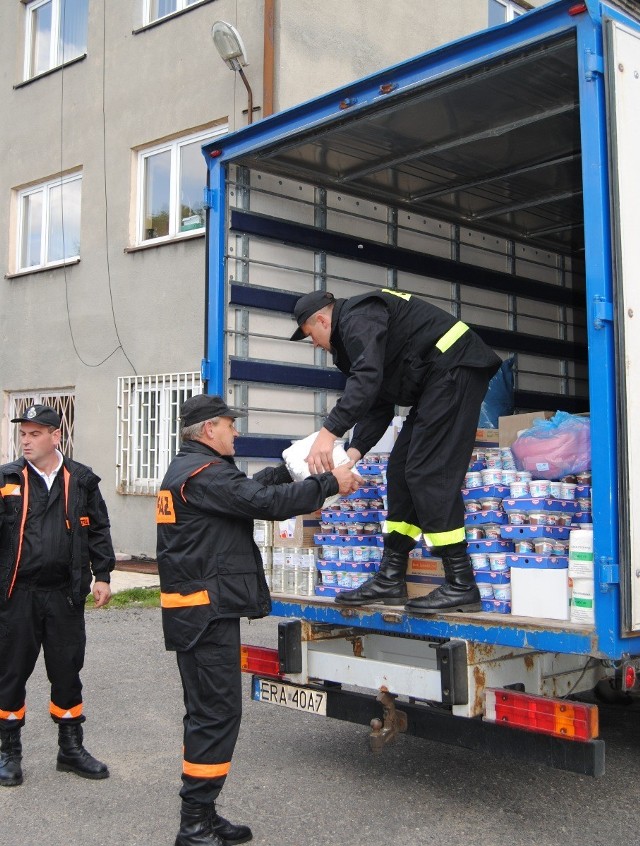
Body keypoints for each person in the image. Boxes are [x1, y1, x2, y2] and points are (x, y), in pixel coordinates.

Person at [156, 393, 359, 846]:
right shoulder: (200, 474)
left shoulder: (197, 471)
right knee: (215, 714)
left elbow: (249, 494)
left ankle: (203, 814)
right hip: (203, 613)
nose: (236, 431)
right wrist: (328, 485)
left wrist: (291, 468)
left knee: (212, 713)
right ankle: (193, 824)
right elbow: (263, 503)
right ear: (209, 429)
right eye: (230, 424)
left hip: (202, 610)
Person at [290, 288, 501, 614]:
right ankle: (390, 576)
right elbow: (377, 403)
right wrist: (353, 453)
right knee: (401, 470)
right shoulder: (352, 344)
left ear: (321, 319)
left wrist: (327, 434)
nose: (315, 344)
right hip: (437, 379)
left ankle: (461, 582)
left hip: (455, 365)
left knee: (428, 469)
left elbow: (367, 379)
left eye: (311, 336)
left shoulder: (359, 315)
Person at [0, 404, 114, 788]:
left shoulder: (81, 480)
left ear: (55, 436)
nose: (26, 440)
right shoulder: (7, 479)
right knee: (10, 673)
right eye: (23, 434)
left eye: (34, 433)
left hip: (65, 596)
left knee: (67, 672)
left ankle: (70, 749)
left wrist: (103, 575)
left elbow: (98, 528)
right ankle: (8, 752)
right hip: (18, 596)